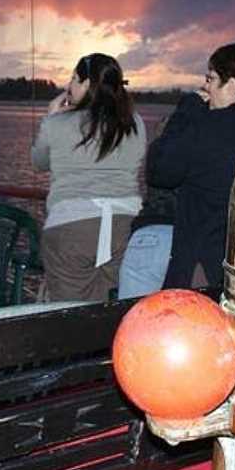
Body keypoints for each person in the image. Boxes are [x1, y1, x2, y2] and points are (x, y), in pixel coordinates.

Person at [148, 42, 235, 289]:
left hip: (204, 268)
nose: (205, 87)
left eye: (211, 79)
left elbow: (159, 172)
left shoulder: (206, 127)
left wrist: (187, 110)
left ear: (232, 86)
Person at [32, 53, 146, 302]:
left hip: (71, 229)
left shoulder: (58, 123)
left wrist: (51, 117)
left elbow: (39, 162)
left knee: (65, 313)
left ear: (86, 84)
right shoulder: (134, 123)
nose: (68, 86)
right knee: (109, 313)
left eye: (73, 78)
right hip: (124, 228)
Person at [117, 119, 176, 299]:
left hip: (149, 234)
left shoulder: (158, 154)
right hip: (187, 239)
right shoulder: (200, 152)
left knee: (135, 312)